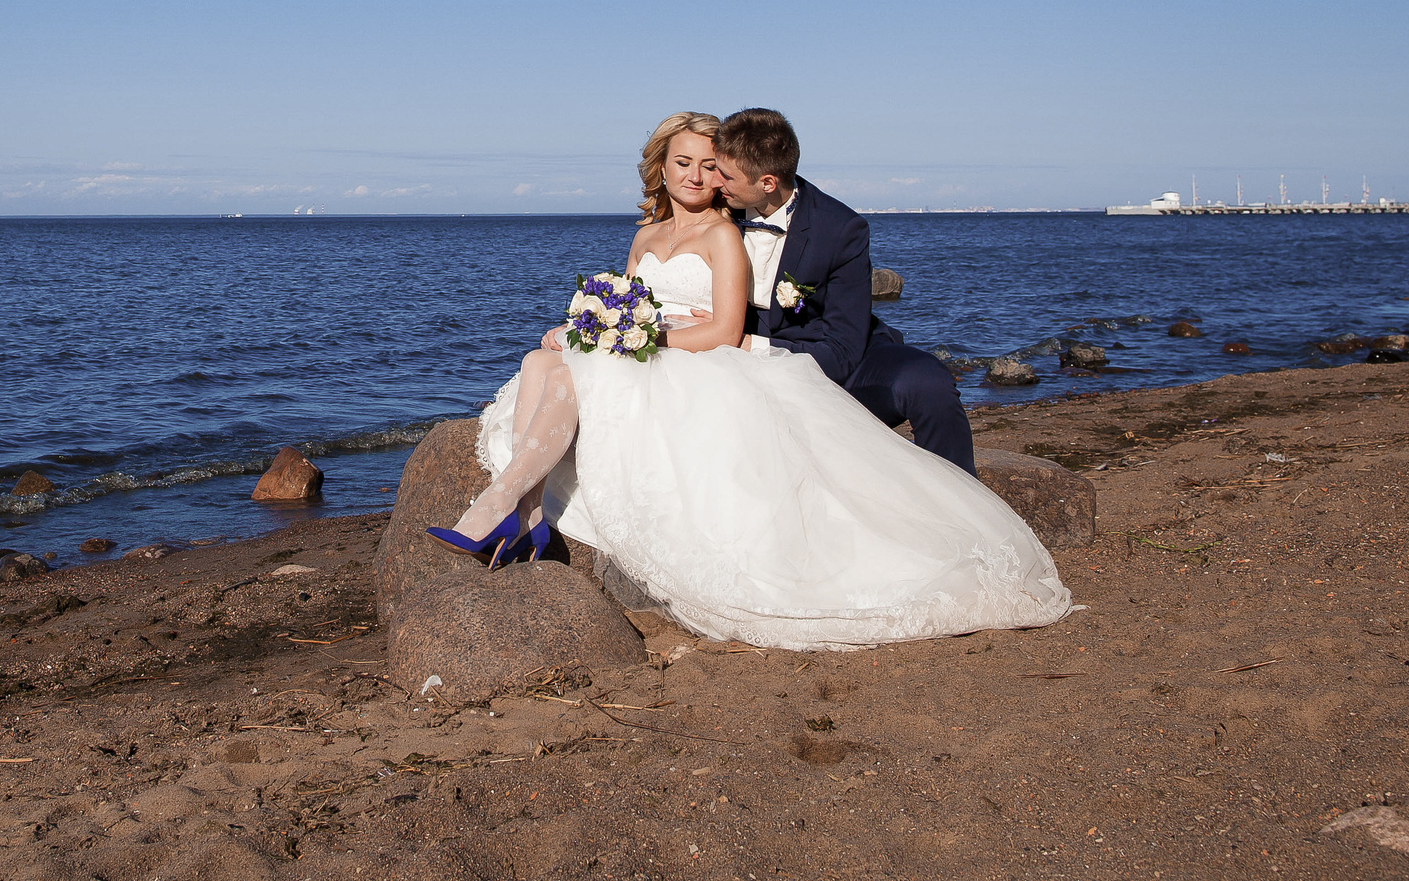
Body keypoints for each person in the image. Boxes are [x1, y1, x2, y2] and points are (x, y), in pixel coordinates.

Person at [435, 111, 1070, 650]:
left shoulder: (829, 229)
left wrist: (730, 350)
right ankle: (519, 513)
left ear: (755, 180)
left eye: (717, 169)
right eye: (690, 165)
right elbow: (640, 299)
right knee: (542, 361)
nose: (707, 179)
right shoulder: (681, 224)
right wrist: (595, 326)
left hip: (808, 352)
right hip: (701, 346)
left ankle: (955, 511)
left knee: (927, 384)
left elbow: (828, 338)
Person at [712, 107, 977, 474]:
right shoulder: (711, 207)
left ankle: (962, 502)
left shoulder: (840, 228)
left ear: (768, 183)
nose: (714, 181)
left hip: (826, 356)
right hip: (729, 360)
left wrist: (752, 345)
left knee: (928, 382)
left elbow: (842, 351)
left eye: (725, 175)